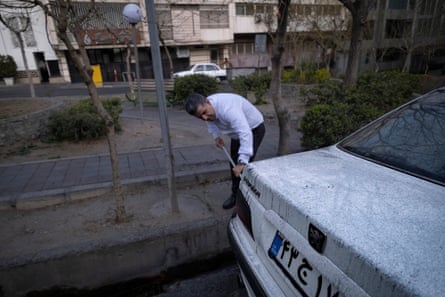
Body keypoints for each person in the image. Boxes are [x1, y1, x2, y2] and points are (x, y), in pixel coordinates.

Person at [185, 93, 265, 209]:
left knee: (244, 167)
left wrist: (242, 162)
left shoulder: (228, 109)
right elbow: (210, 122)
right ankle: (235, 195)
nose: (205, 118)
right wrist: (216, 136)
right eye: (200, 117)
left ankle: (245, 202)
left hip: (253, 129)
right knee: (233, 163)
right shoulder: (207, 110)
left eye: (204, 113)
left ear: (207, 102)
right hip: (236, 133)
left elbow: (245, 133)